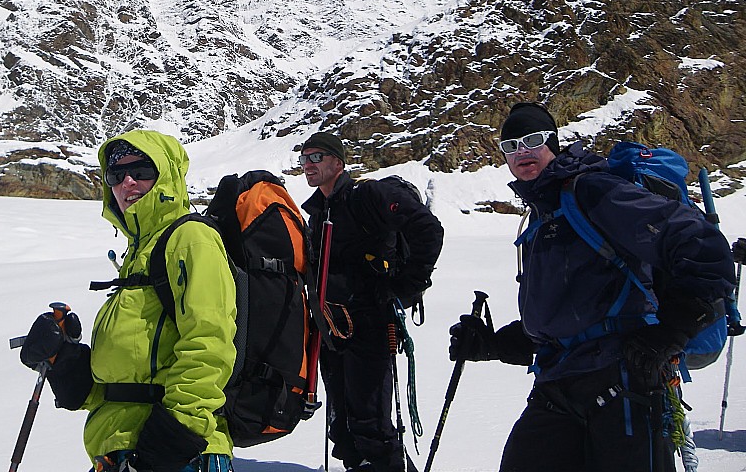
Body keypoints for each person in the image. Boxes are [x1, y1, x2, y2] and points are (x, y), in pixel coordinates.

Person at [449, 101, 735, 472]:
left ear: (552, 143)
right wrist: (493, 344)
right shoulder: (542, 215)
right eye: (511, 146)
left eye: (532, 140)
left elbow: (702, 245)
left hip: (625, 377)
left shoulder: (592, 191)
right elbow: (569, 318)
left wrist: (672, 331)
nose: (522, 152)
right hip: (558, 382)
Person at [20, 130, 238, 472]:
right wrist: (64, 361)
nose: (128, 182)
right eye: (116, 174)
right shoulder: (139, 253)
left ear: (165, 175)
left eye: (142, 170)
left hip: (176, 456)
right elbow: (127, 384)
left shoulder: (190, 238)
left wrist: (172, 441)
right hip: (123, 450)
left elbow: (210, 345)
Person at [297, 131, 444, 472]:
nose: (308, 164)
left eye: (317, 157)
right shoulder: (319, 212)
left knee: (370, 423)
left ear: (338, 163)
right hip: (332, 328)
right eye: (304, 158)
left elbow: (428, 229)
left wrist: (406, 285)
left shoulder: (368, 195)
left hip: (371, 323)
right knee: (343, 427)